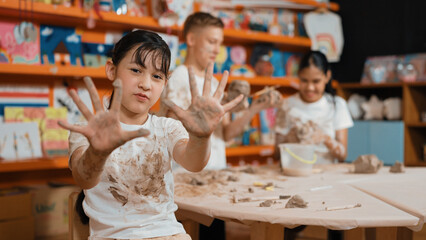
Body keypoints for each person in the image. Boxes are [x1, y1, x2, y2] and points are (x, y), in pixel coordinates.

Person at [58, 29, 242, 240]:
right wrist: (98, 153)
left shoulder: (166, 128)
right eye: (136, 70)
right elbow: (84, 180)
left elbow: (194, 163)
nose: (145, 84)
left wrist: (201, 137)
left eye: (157, 76)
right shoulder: (88, 130)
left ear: (165, 83)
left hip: (169, 233)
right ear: (111, 70)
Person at [159, 12, 281, 240]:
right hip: (187, 177)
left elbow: (227, 134)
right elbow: (168, 131)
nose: (217, 49)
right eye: (212, 42)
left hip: (214, 176)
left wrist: (253, 108)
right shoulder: (177, 77)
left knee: (215, 235)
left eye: (220, 43)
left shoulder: (214, 82)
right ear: (192, 39)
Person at [274, 50, 353, 240]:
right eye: (304, 80)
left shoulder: (337, 105)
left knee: (334, 222)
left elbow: (342, 154)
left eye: (316, 81)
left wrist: (325, 138)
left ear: (327, 76)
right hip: (295, 176)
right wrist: (289, 139)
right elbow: (276, 154)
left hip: (328, 177)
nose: (309, 87)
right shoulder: (288, 105)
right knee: (290, 223)